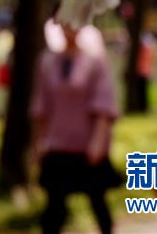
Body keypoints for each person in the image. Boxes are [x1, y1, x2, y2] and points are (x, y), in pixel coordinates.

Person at [31, 21, 121, 234]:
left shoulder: (94, 61)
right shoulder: (47, 62)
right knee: (54, 206)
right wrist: (39, 141)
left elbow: (103, 105)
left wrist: (98, 142)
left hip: (86, 145)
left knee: (97, 200)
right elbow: (41, 105)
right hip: (57, 144)